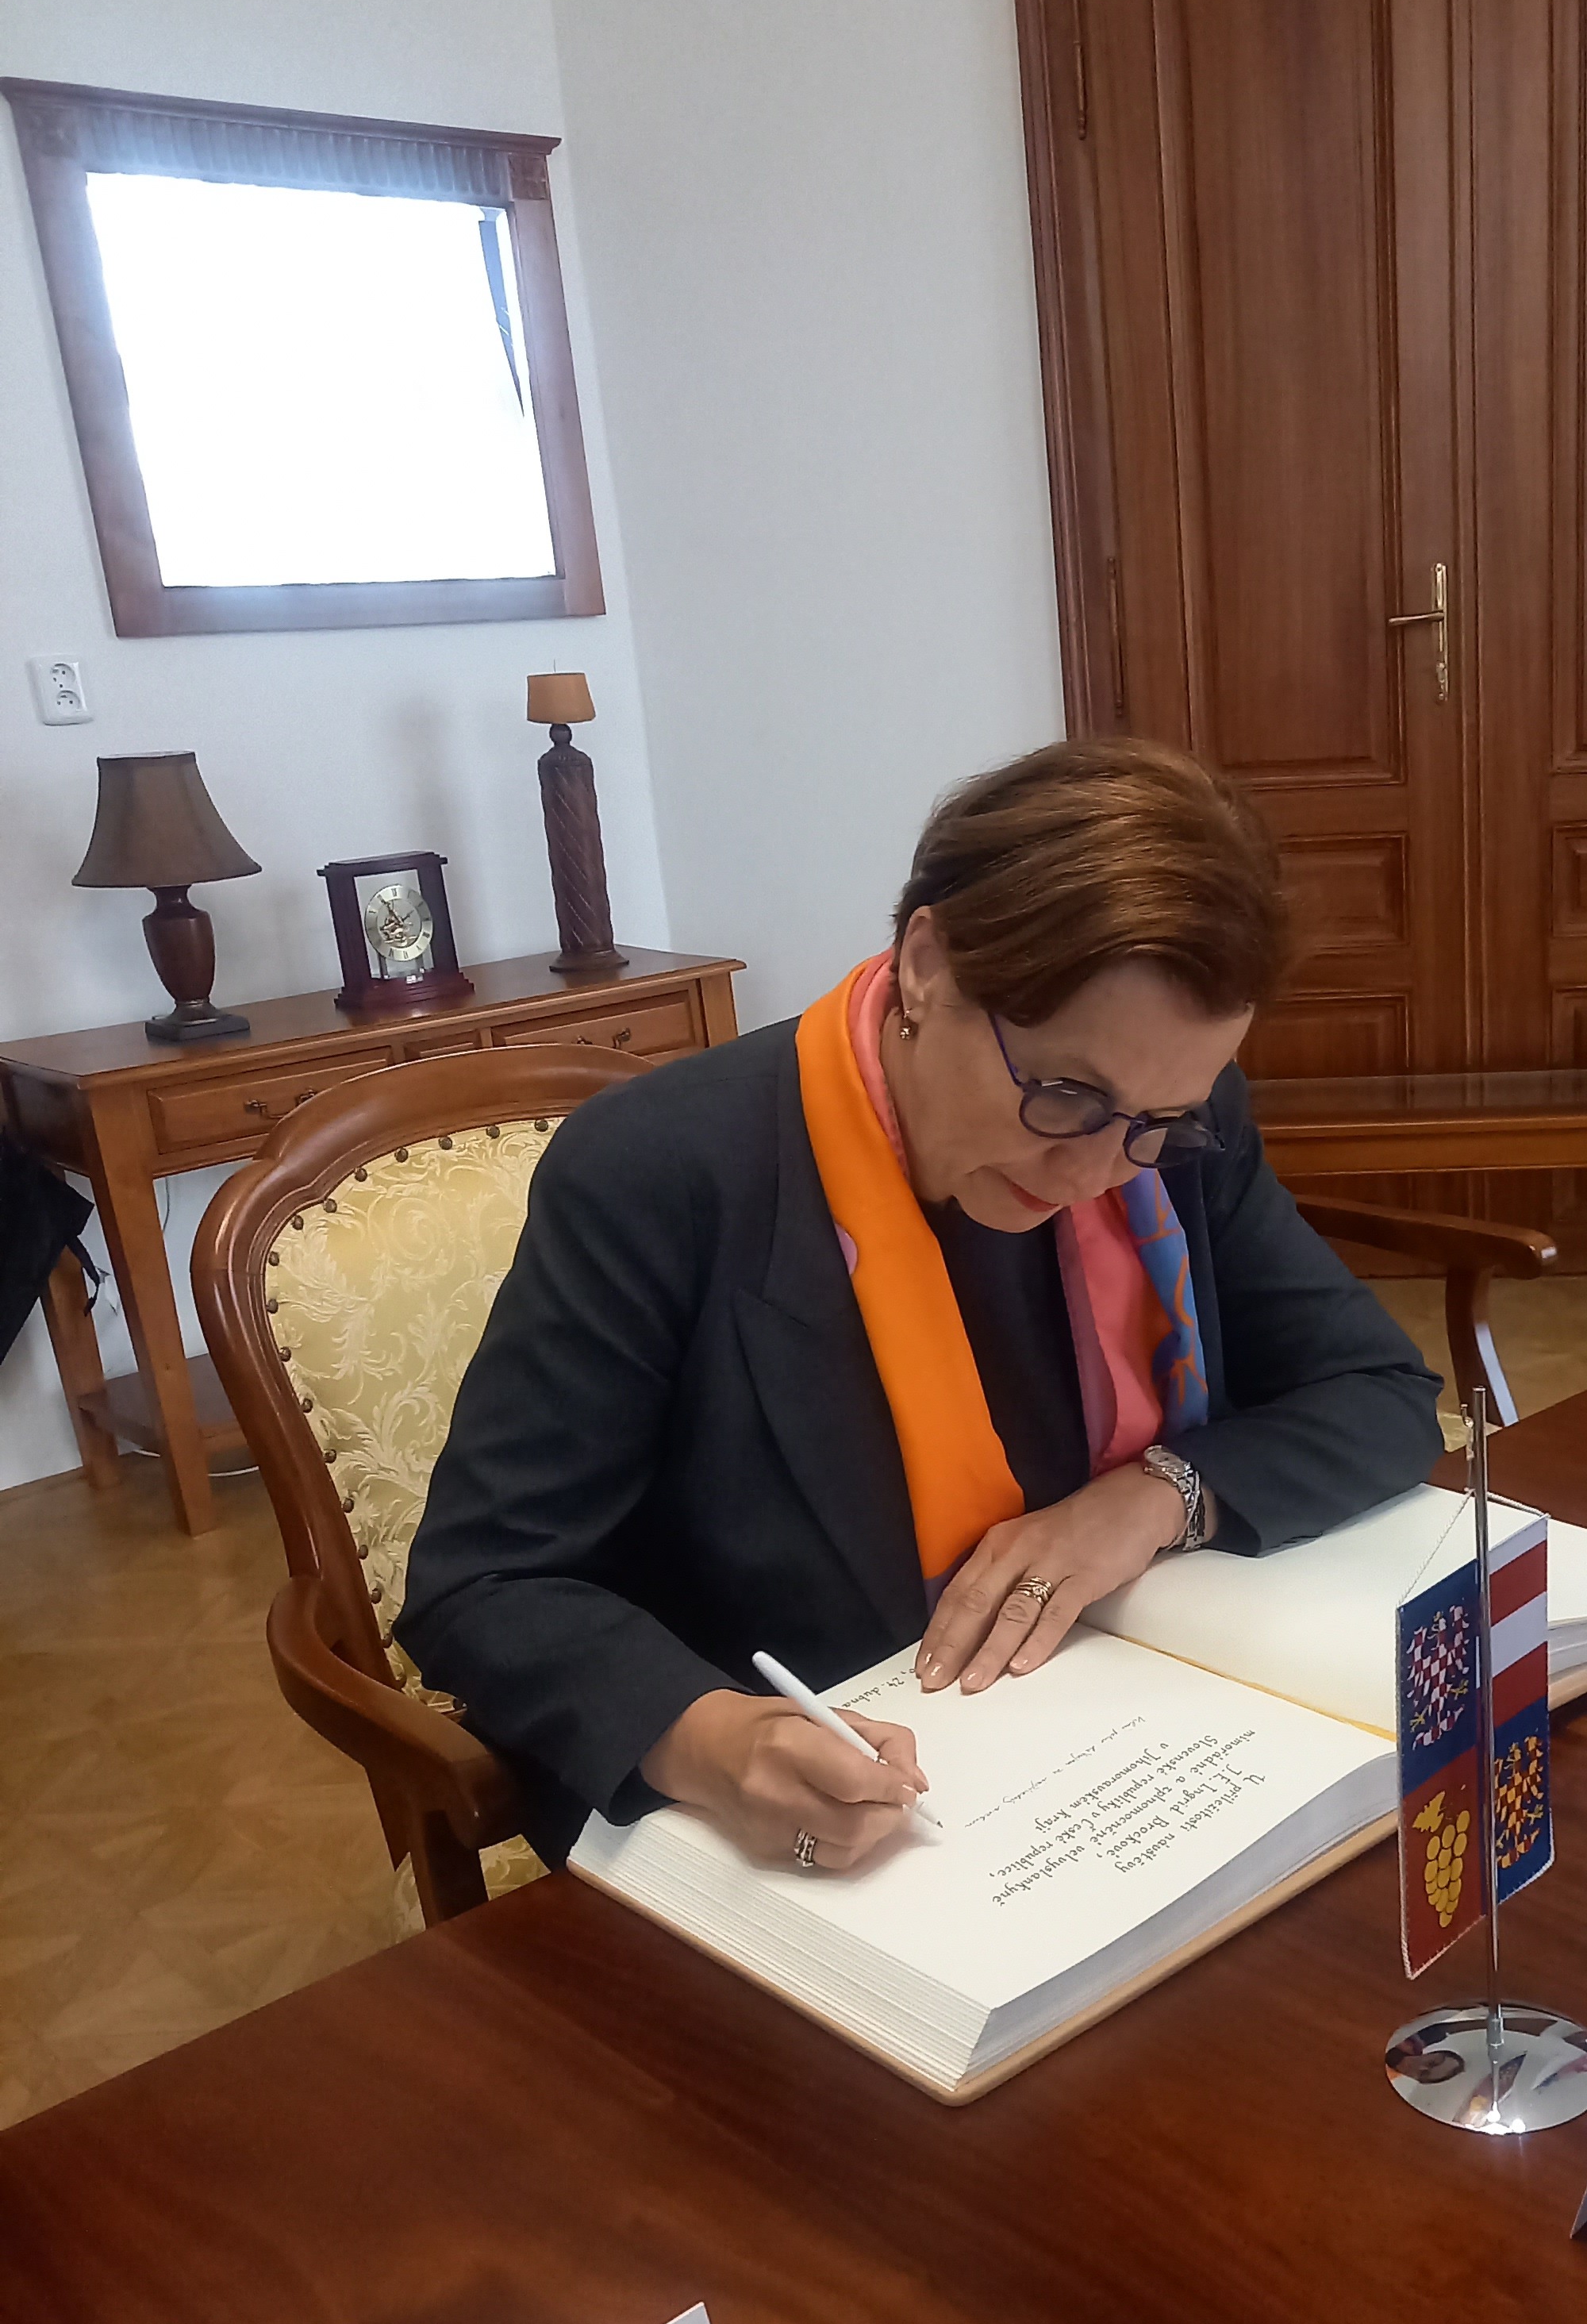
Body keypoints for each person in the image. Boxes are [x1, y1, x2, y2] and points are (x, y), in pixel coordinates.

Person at [398, 738, 1444, 1877]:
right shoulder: (665, 1171)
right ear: (927, 964)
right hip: (827, 1812)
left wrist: (1154, 1499)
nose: (1097, 1172)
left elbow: (1378, 1390)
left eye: (1158, 1120)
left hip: (1130, 1757)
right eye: (1064, 1093)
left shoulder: (1176, 1124)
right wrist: (708, 1740)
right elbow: (484, 1584)